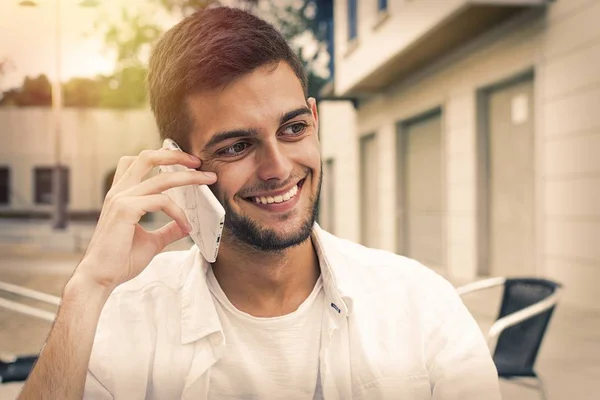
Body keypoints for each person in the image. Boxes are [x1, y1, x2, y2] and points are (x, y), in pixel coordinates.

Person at [18, 6, 501, 400]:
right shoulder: (127, 317)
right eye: (236, 146)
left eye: (293, 129)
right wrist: (87, 288)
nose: (278, 167)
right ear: (180, 164)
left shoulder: (419, 305)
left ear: (314, 119)